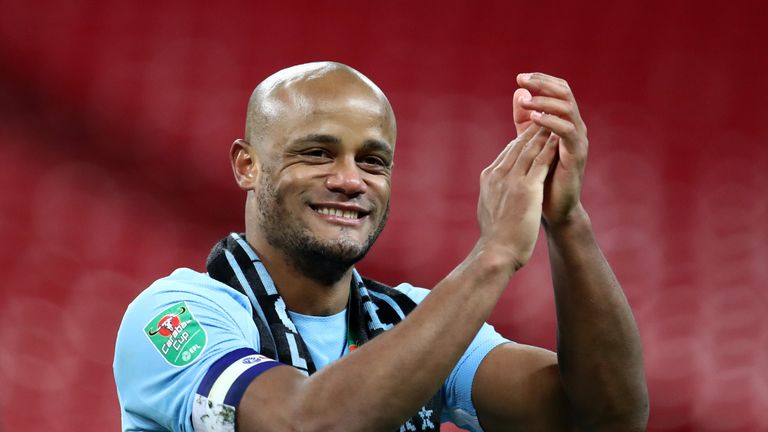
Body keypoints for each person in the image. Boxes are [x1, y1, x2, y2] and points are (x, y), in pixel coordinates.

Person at [114, 61, 648, 431]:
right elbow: (307, 424)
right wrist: (493, 255)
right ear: (246, 165)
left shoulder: (408, 321)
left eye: (372, 161)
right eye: (318, 153)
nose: (350, 179)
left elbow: (603, 419)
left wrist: (567, 220)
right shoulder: (175, 318)